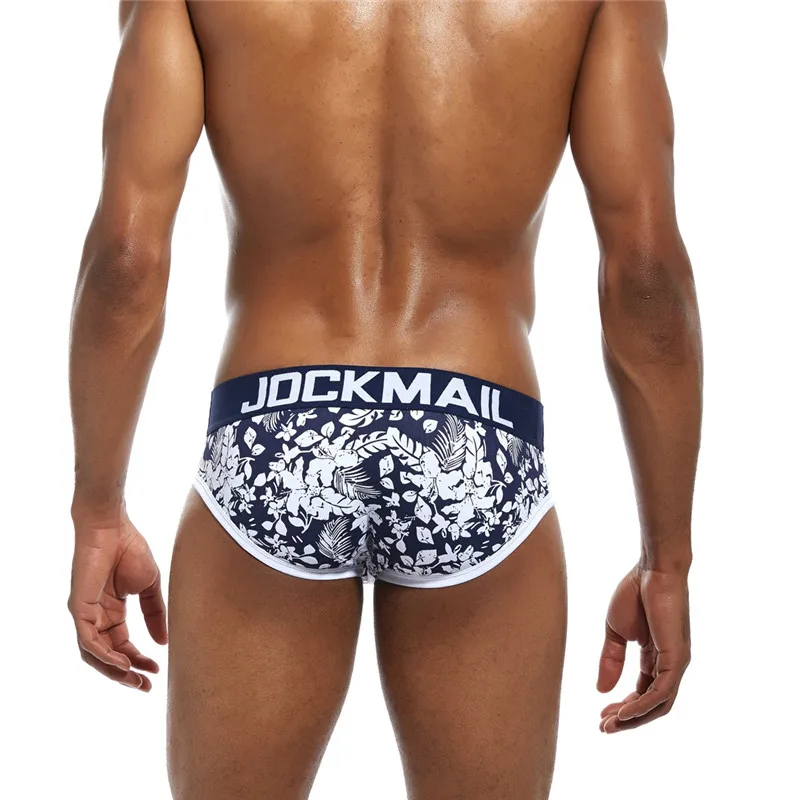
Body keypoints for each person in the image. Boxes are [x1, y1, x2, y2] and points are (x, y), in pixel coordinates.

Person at [67, 1, 702, 798]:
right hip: (476, 432)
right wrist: (666, 560)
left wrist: (98, 511)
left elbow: (126, 259)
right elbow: (646, 276)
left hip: (275, 427)